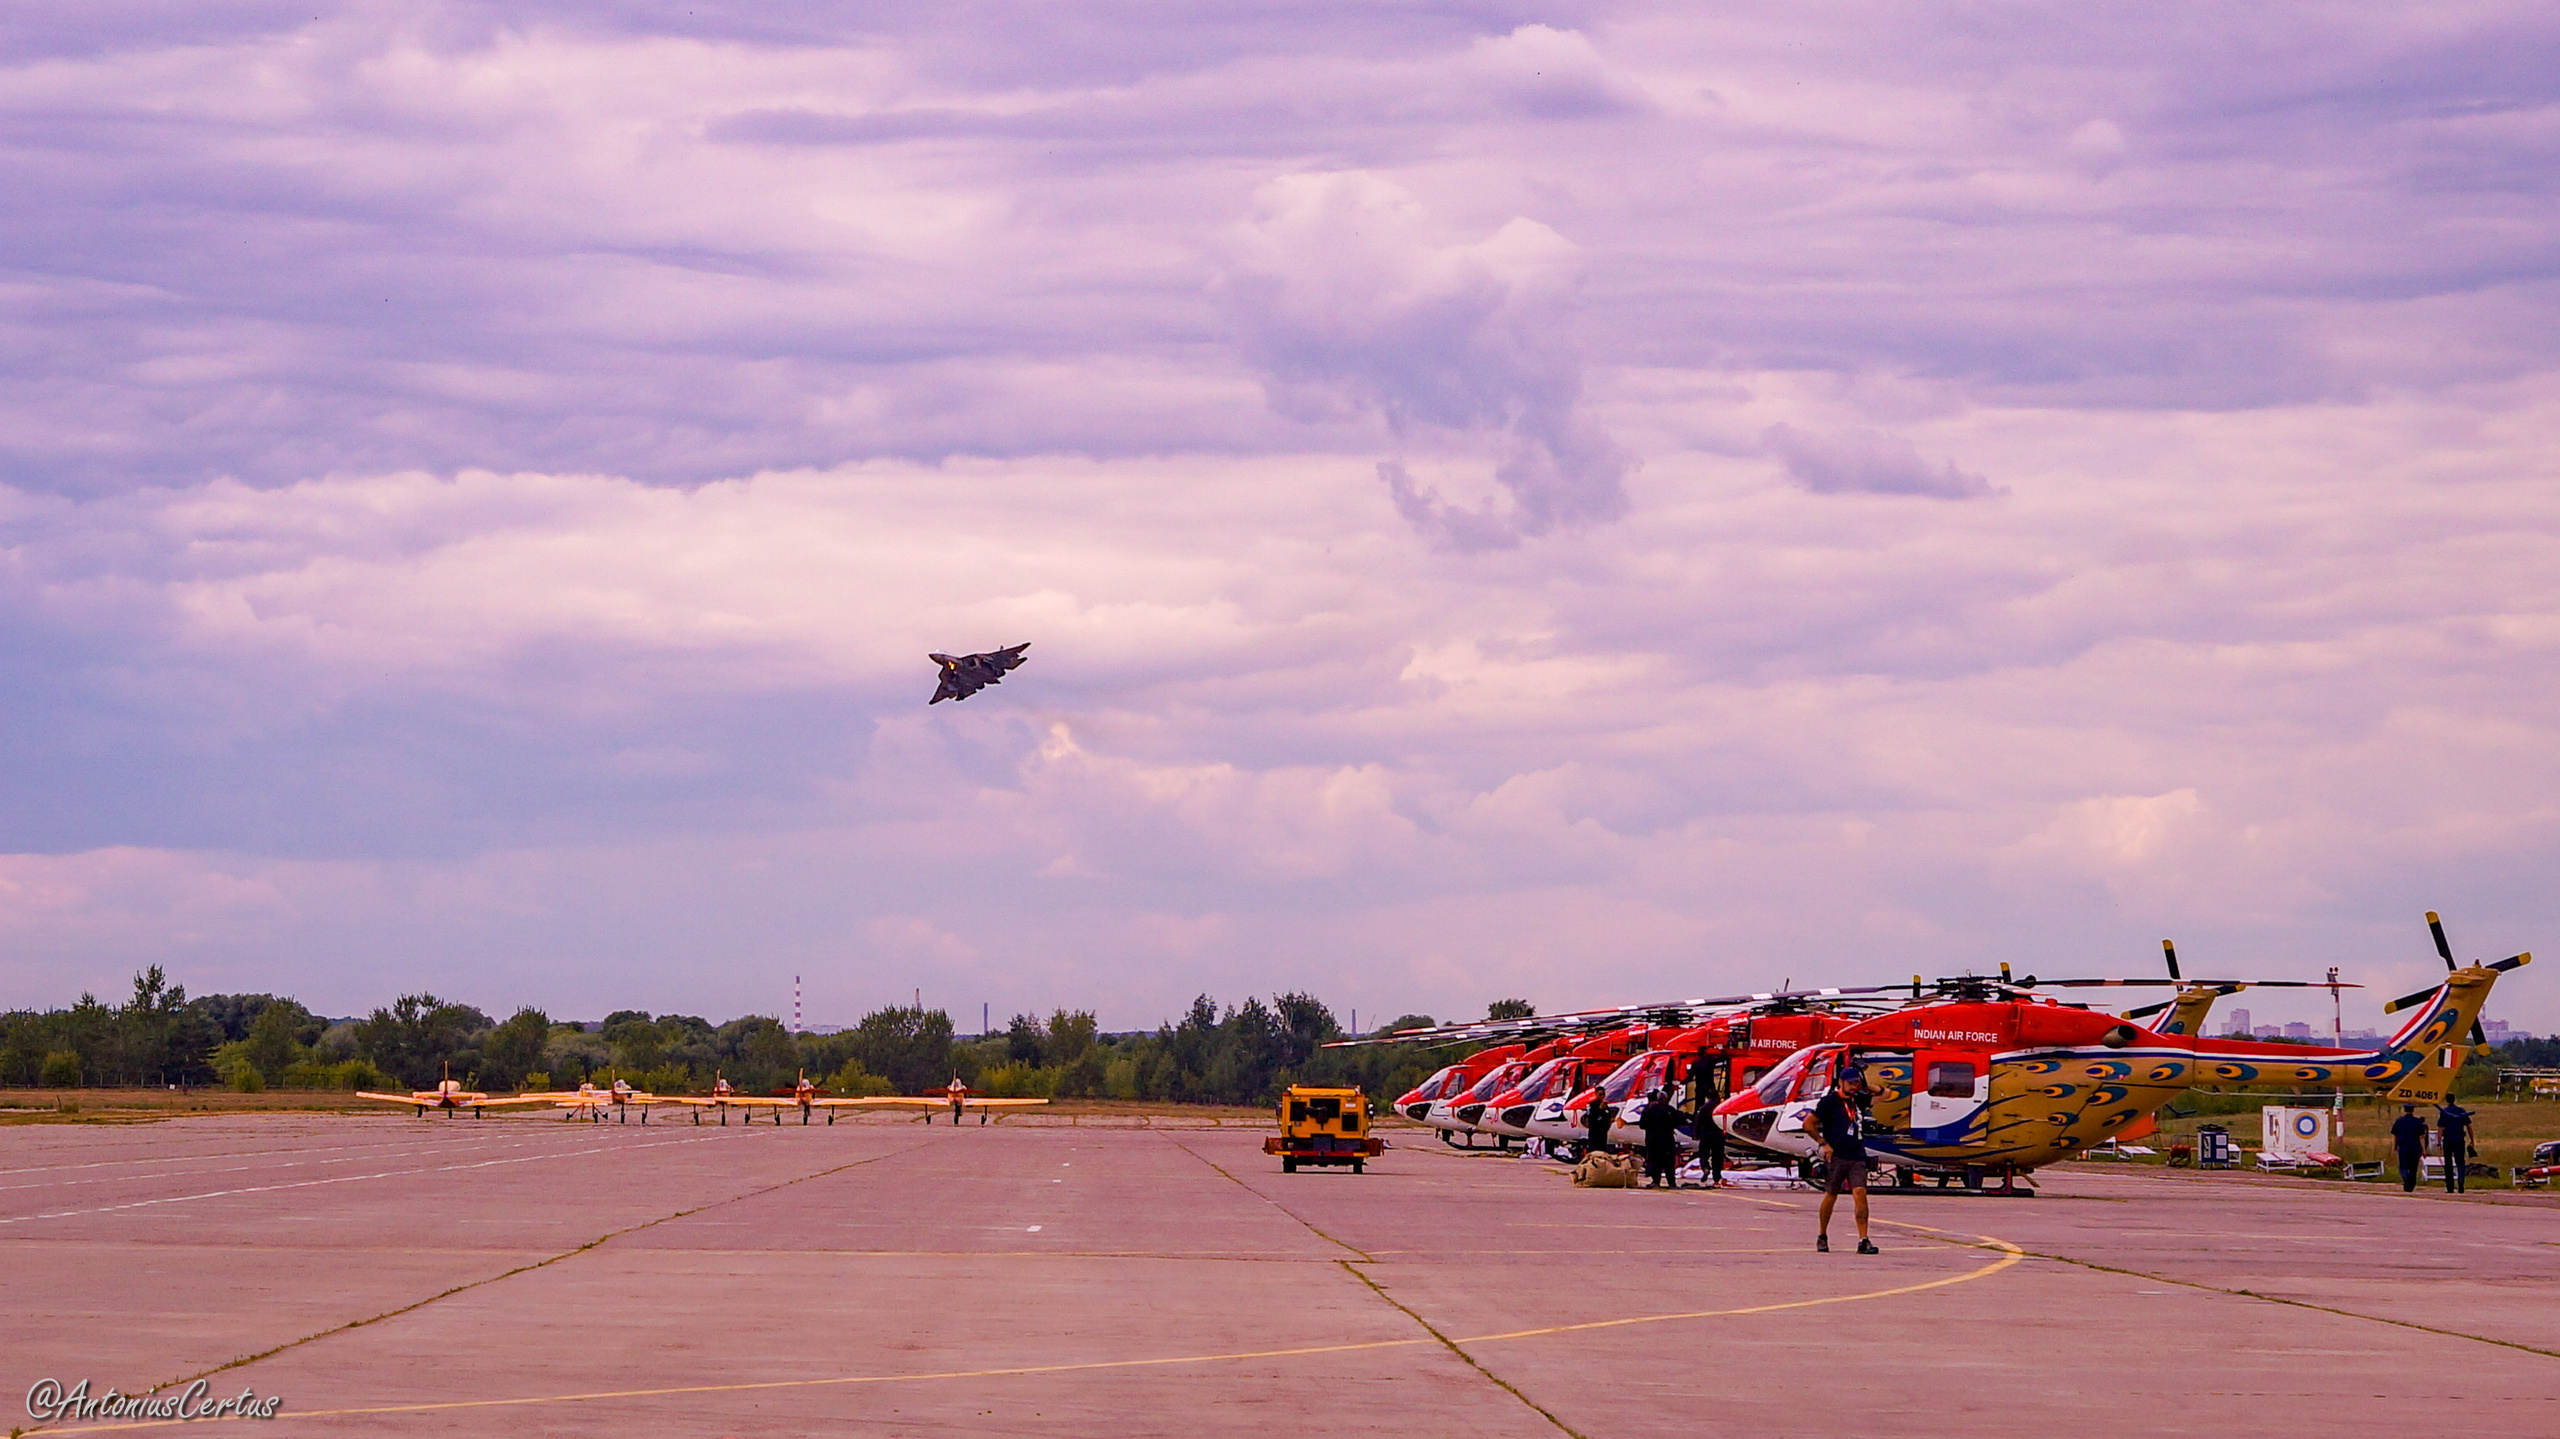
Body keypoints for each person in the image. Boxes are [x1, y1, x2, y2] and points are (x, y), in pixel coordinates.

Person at [1810, 1067, 1877, 1254]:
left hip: (1857, 1155)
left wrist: (1866, 1086)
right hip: (1837, 1155)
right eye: (1851, 1083)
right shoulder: (1829, 1102)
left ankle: (1863, 1239)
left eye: (1857, 1083)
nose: (1854, 1087)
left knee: (1860, 1192)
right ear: (1841, 1082)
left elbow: (1885, 1093)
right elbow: (1808, 1123)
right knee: (1831, 1194)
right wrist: (1823, 1143)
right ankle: (1822, 1235)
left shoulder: (1859, 1100)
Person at [1689, 1053, 1728, 1187]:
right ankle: (1716, 1178)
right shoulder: (1721, 1107)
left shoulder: (1703, 1108)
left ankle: (1705, 1167)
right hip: (1718, 1135)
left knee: (1704, 1154)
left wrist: (1696, 1134)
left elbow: (1698, 1121)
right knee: (1717, 1157)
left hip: (1706, 1134)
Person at [1637, 1088, 1684, 1188]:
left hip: (1653, 1140)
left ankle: (1656, 1181)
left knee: (1655, 1161)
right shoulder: (1670, 1110)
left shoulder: (1649, 1110)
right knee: (1668, 1162)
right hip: (1667, 1140)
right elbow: (1678, 1122)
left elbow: (1642, 1125)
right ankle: (1671, 1182)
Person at [2390, 1103, 2427, 1192]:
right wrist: (2424, 1150)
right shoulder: (2417, 1122)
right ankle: (2410, 1184)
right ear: (2413, 1110)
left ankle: (2406, 1179)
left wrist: (2394, 1146)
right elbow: (2421, 1137)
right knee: (2413, 1167)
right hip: (2415, 1147)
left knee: (2403, 1166)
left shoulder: (2399, 1121)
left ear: (2404, 1109)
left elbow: (2395, 1135)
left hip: (2403, 1147)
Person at [2440, 1103, 2474, 1194]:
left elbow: (2440, 1127)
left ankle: (2450, 1186)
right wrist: (2472, 1140)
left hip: (2448, 1139)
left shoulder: (2444, 1111)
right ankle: (2461, 1180)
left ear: (2447, 1101)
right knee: (2460, 1162)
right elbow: (2469, 1126)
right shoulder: (2461, 1111)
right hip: (2459, 1139)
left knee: (2448, 1163)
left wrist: (2439, 1142)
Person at [1583, 1092, 1615, 1158]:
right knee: (1594, 1149)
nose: (1602, 1096)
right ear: (1596, 1095)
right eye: (1600, 1094)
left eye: (1603, 1094)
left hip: (1603, 1131)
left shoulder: (1605, 1106)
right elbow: (1591, 1117)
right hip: (1595, 1131)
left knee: (1602, 1149)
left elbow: (1608, 1115)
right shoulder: (1592, 1105)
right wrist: (1599, 1110)